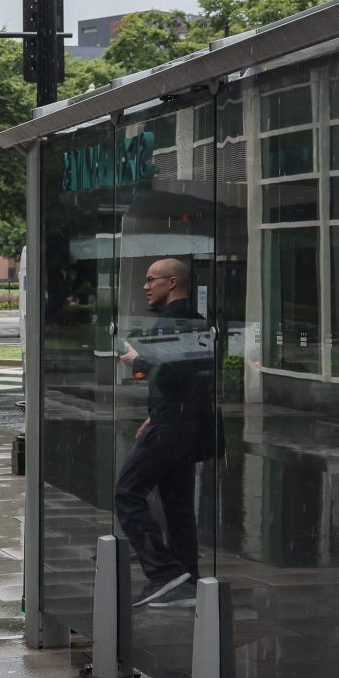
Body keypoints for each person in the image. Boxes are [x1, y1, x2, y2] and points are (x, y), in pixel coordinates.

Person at [115, 257, 217, 608]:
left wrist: (137, 363)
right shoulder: (195, 321)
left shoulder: (172, 321)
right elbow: (192, 380)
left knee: (127, 493)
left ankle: (163, 573)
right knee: (177, 505)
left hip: (172, 425)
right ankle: (186, 582)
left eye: (151, 279)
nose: (145, 286)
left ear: (171, 282)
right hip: (182, 424)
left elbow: (172, 373)